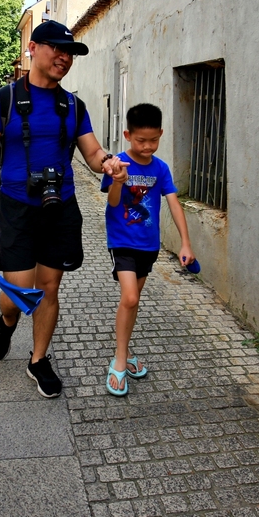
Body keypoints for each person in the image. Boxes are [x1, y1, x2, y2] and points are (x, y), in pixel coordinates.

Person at [0, 20, 127, 398]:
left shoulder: (73, 105)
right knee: (18, 295)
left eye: (69, 52)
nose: (64, 57)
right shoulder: (2, 100)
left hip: (59, 207)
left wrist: (110, 163)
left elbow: (92, 152)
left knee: (49, 287)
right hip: (17, 208)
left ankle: (38, 359)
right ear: (33, 48)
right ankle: (6, 321)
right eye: (56, 48)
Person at [100, 103, 195, 396]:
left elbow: (173, 203)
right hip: (122, 241)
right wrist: (119, 180)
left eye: (153, 140)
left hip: (148, 246)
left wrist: (185, 242)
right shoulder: (117, 164)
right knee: (129, 297)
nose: (147, 146)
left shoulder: (161, 168)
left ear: (161, 134)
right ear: (128, 135)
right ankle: (118, 360)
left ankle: (126, 352)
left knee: (133, 301)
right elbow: (113, 203)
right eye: (141, 140)